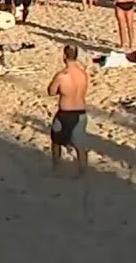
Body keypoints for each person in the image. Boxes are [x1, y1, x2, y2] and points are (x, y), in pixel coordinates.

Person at [46, 44, 89, 177]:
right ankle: (83, 172)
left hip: (65, 114)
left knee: (56, 142)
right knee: (79, 145)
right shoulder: (83, 74)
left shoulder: (61, 76)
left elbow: (51, 92)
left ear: (64, 56)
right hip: (80, 113)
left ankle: (56, 169)